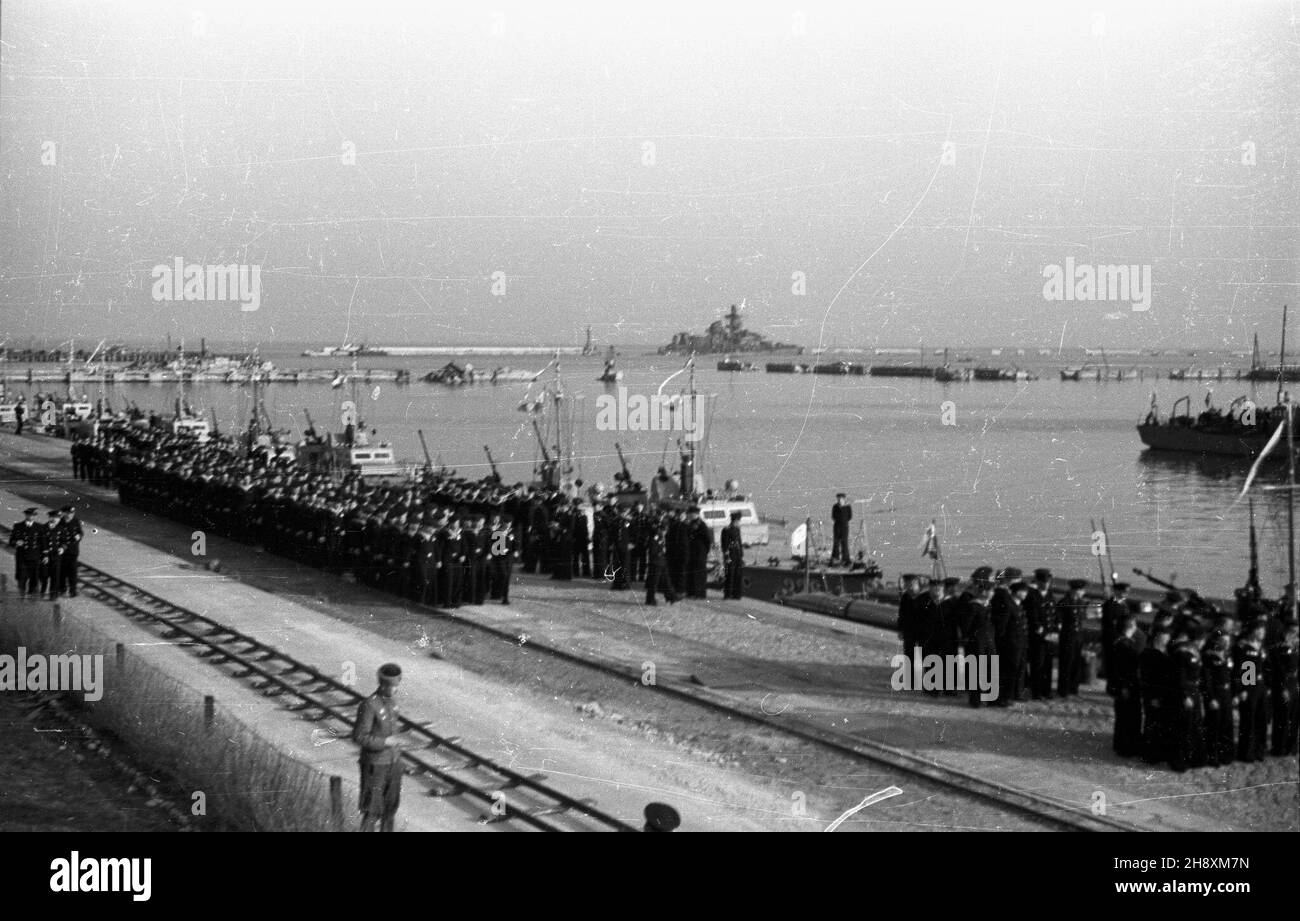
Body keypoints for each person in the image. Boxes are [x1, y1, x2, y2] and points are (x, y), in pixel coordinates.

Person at [353, 663, 408, 833]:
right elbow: (359, 736)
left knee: (390, 809)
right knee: (372, 810)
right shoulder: (369, 705)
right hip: (375, 766)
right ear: (383, 685)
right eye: (393, 687)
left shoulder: (392, 703)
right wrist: (385, 742)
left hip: (393, 764)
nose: (396, 690)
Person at [1167, 623, 1207, 772]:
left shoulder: (1193, 651)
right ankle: (1178, 761)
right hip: (1185, 694)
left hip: (1194, 691)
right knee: (1182, 728)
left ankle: (1192, 758)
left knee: (1194, 726)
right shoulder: (1182, 652)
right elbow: (1179, 677)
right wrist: (1185, 695)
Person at [1233, 620, 1270, 764]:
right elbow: (1243, 668)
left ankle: (1259, 751)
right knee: (1249, 720)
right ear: (1253, 631)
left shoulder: (1261, 647)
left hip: (1261, 685)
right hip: (1250, 685)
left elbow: (1266, 667)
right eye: (1260, 631)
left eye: (1263, 631)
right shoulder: (1244, 646)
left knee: (1261, 719)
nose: (1262, 634)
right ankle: (1247, 753)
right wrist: (1244, 689)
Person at [1200, 631, 1235, 767]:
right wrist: (1210, 698)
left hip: (1227, 693)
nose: (1226, 643)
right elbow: (1206, 681)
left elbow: (1235, 674)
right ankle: (1212, 756)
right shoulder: (1208, 656)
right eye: (1223, 640)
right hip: (1215, 693)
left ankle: (1225, 755)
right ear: (1216, 641)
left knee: (1227, 724)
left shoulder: (1228, 655)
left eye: (1228, 640)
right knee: (1213, 726)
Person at [1110, 614, 1143, 757]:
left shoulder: (1120, 641)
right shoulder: (1125, 644)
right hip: (1128, 685)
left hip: (1124, 684)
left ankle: (1121, 745)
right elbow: (1123, 668)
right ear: (1131, 627)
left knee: (1124, 716)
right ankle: (1126, 747)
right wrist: (1124, 686)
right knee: (1129, 716)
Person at [1139, 628, 1172, 765]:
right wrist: (1153, 697)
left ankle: (1155, 753)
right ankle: (1150, 755)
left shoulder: (1160, 653)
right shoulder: (1150, 655)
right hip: (1153, 695)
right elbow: (1148, 678)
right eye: (1165, 638)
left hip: (1159, 695)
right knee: (1152, 724)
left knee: (1157, 724)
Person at [1023, 568, 1056, 699]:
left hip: (1049, 635)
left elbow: (1054, 613)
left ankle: (1046, 690)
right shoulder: (1032, 595)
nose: (1046, 584)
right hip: (1037, 635)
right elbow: (1032, 615)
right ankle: (1036, 692)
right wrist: (1039, 629)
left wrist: (1056, 627)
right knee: (1037, 664)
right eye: (1043, 581)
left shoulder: (1050, 594)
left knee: (1048, 664)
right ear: (1037, 581)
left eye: (1047, 581)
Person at [1269, 620, 1299, 756]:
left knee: (1294, 717)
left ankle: (1291, 747)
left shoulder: (1295, 647)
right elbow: (1278, 670)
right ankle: (1279, 748)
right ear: (1286, 632)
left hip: (1294, 683)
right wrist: (1283, 688)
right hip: (1283, 684)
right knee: (1282, 718)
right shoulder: (1278, 648)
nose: (1294, 635)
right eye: (1292, 632)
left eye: (1296, 632)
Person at [1056, 579, 1088, 698]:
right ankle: (1063, 690)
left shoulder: (1080, 602)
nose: (1083, 592)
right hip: (1067, 636)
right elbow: (1058, 618)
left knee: (1076, 663)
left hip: (1078, 637)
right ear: (1075, 590)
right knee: (1066, 663)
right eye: (1081, 590)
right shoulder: (1064, 602)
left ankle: (1073, 688)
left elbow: (1081, 618)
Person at [8, 507, 43, 597]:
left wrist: (44, 555)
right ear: (26, 515)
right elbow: (11, 541)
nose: (30, 517)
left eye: (32, 515)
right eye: (29, 515)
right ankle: (22, 593)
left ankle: (32, 594)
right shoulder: (18, 526)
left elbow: (43, 543)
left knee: (34, 578)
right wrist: (16, 542)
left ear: (34, 516)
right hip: (22, 556)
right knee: (22, 577)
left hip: (34, 556)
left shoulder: (39, 527)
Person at [644, 524, 678, 607]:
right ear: (660, 530)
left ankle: (671, 597)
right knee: (654, 582)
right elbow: (652, 550)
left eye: (665, 531)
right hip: (656, 563)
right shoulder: (655, 537)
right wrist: (661, 551)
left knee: (666, 581)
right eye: (663, 530)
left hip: (662, 562)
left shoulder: (662, 537)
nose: (664, 532)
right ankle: (650, 599)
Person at [684, 506, 712, 599]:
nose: (688, 515)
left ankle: (698, 594)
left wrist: (704, 552)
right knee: (691, 572)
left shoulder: (702, 525)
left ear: (695, 514)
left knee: (698, 574)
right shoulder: (690, 523)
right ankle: (690, 592)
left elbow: (707, 540)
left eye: (690, 514)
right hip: (691, 552)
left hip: (699, 553)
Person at [897, 574, 922, 664]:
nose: (909, 587)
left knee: (925, 653)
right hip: (909, 630)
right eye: (907, 585)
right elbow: (901, 614)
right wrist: (900, 630)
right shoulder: (905, 597)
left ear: (918, 584)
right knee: (908, 652)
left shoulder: (925, 597)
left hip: (923, 631)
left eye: (912, 585)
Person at [720, 511, 744, 599]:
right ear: (735, 521)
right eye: (738, 521)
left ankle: (736, 594)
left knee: (737, 574)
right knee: (730, 574)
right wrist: (726, 556)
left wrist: (741, 555)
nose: (739, 522)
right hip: (730, 554)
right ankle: (728, 594)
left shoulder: (737, 529)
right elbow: (724, 544)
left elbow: (739, 543)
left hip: (737, 554)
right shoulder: (727, 529)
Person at [40, 510, 64, 599]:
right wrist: (45, 555)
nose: (56, 520)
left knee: (55, 577)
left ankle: (53, 595)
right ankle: (42, 591)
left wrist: (62, 548)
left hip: (56, 557)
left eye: (58, 518)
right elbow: (41, 543)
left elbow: (64, 541)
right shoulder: (43, 528)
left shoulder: (61, 529)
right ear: (50, 518)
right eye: (54, 517)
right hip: (45, 556)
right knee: (44, 576)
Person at [830, 494, 852, 565]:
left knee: (844, 543)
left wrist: (844, 521)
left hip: (844, 527)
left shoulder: (847, 507)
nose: (839, 500)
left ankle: (845, 558)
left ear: (844, 499)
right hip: (837, 526)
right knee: (836, 542)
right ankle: (835, 557)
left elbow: (849, 516)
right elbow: (833, 516)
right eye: (838, 499)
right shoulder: (835, 506)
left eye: (841, 499)